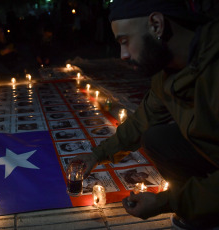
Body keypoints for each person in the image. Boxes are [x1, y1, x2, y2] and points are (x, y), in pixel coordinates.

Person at [70, 1, 219, 229]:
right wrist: (97, 155)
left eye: (125, 41)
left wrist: (167, 201)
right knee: (156, 138)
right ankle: (202, 211)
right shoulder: (168, 73)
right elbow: (142, 120)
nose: (123, 55)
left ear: (156, 25)